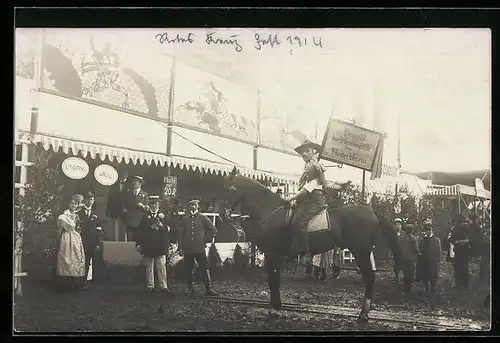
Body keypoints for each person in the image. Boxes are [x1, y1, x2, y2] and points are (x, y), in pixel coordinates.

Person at [284, 140, 329, 274]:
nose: (303, 153)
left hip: (313, 200)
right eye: (302, 151)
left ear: (313, 152)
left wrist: (290, 198)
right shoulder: (310, 166)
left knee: (299, 222)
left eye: (306, 150)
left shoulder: (314, 167)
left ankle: (306, 253)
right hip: (308, 199)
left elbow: (307, 189)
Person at [178, 199, 218, 296]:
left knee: (204, 268)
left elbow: (213, 230)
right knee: (188, 268)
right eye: (191, 205)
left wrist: (204, 239)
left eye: (195, 205)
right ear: (188, 207)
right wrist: (180, 247)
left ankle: (209, 289)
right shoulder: (185, 219)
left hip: (199, 248)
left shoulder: (203, 217)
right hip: (188, 248)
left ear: (198, 206)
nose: (193, 206)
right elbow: (181, 234)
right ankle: (190, 288)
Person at [135, 196, 171, 292]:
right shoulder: (145, 217)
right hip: (149, 245)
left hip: (160, 245)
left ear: (158, 205)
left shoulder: (164, 216)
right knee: (149, 266)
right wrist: (138, 244)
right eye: (152, 204)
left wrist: (161, 226)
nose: (154, 206)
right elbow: (140, 232)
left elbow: (170, 229)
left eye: (155, 204)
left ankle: (163, 286)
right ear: (149, 205)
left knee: (161, 266)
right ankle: (150, 285)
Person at [54, 194, 86, 293]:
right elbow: (60, 230)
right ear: (68, 204)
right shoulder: (63, 216)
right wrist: (58, 239)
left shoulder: (76, 216)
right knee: (65, 258)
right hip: (66, 238)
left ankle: (75, 286)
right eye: (72, 203)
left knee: (76, 259)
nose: (73, 205)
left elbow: (78, 229)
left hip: (76, 239)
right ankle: (64, 287)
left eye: (75, 204)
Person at [77, 190, 103, 284]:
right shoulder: (79, 214)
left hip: (93, 241)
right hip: (82, 241)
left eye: (91, 199)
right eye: (88, 199)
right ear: (85, 201)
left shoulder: (96, 214)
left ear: (93, 200)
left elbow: (99, 229)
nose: (89, 201)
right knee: (83, 260)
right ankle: (82, 279)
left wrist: (97, 242)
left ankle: (93, 280)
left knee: (94, 260)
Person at [416, 221, 442, 292]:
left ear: (432, 230)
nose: (428, 232)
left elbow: (438, 250)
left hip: (433, 260)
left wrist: (438, 259)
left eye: (429, 230)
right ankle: (426, 287)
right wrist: (420, 256)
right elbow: (419, 249)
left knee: (433, 274)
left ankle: (433, 287)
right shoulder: (422, 240)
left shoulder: (436, 240)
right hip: (424, 261)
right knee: (425, 275)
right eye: (426, 230)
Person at [122, 175, 149, 242]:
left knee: (138, 239)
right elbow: (124, 203)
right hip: (130, 220)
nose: (133, 183)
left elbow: (147, 207)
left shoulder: (144, 194)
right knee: (129, 239)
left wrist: (142, 206)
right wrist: (125, 210)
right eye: (133, 181)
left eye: (135, 182)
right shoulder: (128, 193)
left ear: (140, 183)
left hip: (139, 221)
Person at [105, 170, 130, 241]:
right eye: (121, 174)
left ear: (127, 176)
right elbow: (110, 197)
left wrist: (127, 208)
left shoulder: (130, 185)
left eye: (124, 174)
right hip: (115, 209)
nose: (123, 176)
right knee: (115, 227)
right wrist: (108, 209)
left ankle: (124, 242)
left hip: (126, 210)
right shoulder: (114, 185)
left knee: (125, 228)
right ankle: (116, 242)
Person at [450, 212, 472, 289]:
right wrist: (464, 241)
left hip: (460, 250)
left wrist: (459, 242)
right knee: (463, 266)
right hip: (462, 250)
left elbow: (452, 239)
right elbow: (452, 239)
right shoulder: (465, 227)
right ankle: (463, 284)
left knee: (459, 266)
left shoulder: (457, 228)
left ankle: (460, 284)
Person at [399, 223, 419, 294]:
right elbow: (416, 249)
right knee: (410, 275)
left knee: (405, 274)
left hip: (404, 259)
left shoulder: (402, 238)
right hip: (411, 259)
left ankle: (405, 289)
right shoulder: (413, 238)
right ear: (411, 230)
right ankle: (409, 290)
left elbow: (400, 248)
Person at [392, 218, 404, 284]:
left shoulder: (404, 233)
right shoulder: (392, 234)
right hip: (396, 252)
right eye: (396, 225)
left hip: (403, 252)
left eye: (399, 225)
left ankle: (404, 277)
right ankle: (397, 277)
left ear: (401, 226)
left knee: (404, 265)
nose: (397, 226)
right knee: (396, 266)